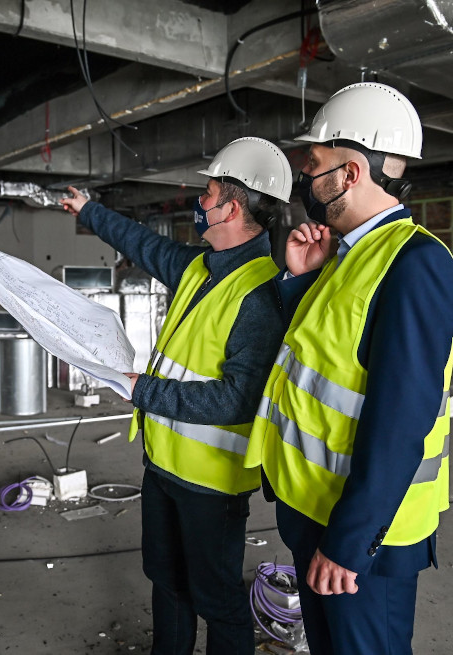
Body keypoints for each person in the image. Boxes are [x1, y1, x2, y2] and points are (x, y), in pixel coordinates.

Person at [244, 83, 453, 655]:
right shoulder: (345, 254)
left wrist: (349, 541)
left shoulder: (416, 264)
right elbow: (320, 356)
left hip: (362, 538)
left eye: (314, 167)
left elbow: (400, 422)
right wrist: (298, 281)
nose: (306, 182)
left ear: (349, 172)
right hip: (313, 511)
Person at [61, 137, 293, 655]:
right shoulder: (198, 266)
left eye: (208, 195)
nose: (200, 204)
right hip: (163, 464)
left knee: (215, 598)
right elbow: (141, 243)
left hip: (211, 483)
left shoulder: (260, 295)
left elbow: (236, 400)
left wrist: (143, 391)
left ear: (231, 207)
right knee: (165, 582)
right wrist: (89, 210)